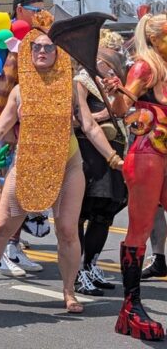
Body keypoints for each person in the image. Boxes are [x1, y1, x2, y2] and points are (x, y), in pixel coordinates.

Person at [0, 30, 120, 315]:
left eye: (48, 47)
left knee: (68, 231)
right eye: (36, 47)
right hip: (28, 163)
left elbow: (90, 126)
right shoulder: (21, 90)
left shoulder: (69, 86)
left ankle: (69, 292)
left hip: (68, 163)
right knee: (1, 227)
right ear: (28, 53)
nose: (42, 51)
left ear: (59, 54)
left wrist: (114, 157)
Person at [103, 13, 167, 341]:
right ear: (155, 39)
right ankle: (131, 307)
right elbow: (118, 108)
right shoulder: (145, 66)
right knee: (139, 227)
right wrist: (117, 92)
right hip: (148, 151)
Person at [0, 0, 48, 277]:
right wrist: (3, 130)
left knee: (22, 193)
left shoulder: (36, 40)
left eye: (41, 6)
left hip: (29, 131)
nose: (40, 11)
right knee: (3, 188)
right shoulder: (7, 39)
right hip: (6, 128)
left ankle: (13, 247)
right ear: (19, 9)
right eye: (34, 7)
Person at [73, 47, 128, 296]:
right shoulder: (80, 80)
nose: (112, 68)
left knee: (104, 214)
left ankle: (90, 264)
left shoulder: (110, 84)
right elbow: (79, 119)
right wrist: (102, 114)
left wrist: (115, 95)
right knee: (79, 214)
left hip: (112, 150)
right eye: (109, 64)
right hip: (88, 152)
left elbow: (120, 112)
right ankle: (76, 272)